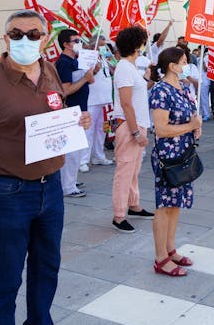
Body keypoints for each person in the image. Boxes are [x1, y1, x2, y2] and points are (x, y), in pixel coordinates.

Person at [0, 10, 91, 325]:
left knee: (46, 270)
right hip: (5, 195)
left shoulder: (48, 71)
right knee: (5, 281)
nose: (24, 40)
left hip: (51, 192)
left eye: (33, 34)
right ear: (6, 39)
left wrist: (75, 123)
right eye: (16, 34)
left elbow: (52, 118)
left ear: (45, 39)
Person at [149, 47, 201, 277]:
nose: (186, 66)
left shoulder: (184, 87)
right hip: (169, 155)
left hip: (185, 152)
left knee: (176, 203)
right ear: (172, 66)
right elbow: (160, 128)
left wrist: (195, 127)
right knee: (165, 205)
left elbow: (190, 116)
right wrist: (189, 127)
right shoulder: (161, 90)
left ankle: (170, 249)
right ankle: (160, 257)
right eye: (183, 62)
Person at [111, 27, 154, 233]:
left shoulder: (130, 67)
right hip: (129, 126)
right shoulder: (123, 68)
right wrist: (136, 132)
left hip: (138, 124)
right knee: (125, 170)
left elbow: (135, 95)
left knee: (134, 170)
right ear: (138, 45)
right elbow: (126, 103)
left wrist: (146, 79)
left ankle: (134, 204)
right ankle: (119, 216)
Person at [55, 29, 100, 197]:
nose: (79, 44)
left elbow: (90, 81)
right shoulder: (64, 63)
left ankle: (71, 180)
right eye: (76, 41)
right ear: (66, 44)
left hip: (81, 109)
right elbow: (65, 90)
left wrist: (92, 71)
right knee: (71, 153)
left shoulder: (77, 60)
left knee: (77, 149)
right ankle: (67, 186)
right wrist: (85, 78)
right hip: (71, 110)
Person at [83, 35, 114, 169]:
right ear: (92, 45)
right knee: (88, 131)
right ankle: (83, 160)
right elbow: (86, 77)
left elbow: (111, 73)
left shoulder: (105, 58)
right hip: (92, 100)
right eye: (101, 45)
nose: (104, 47)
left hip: (106, 99)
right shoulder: (86, 57)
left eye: (104, 45)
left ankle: (99, 156)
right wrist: (94, 70)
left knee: (103, 129)